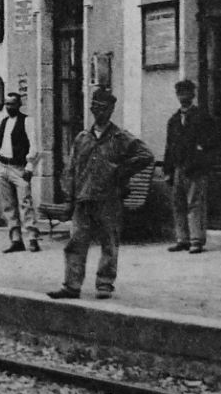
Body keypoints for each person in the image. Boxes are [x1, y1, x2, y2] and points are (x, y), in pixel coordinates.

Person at [47, 88, 154, 300]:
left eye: (104, 108)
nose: (99, 112)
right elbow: (71, 169)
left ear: (112, 110)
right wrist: (69, 196)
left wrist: (121, 171)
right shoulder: (82, 138)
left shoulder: (120, 137)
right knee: (76, 243)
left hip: (109, 198)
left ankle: (104, 284)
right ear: (91, 108)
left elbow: (146, 155)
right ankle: (71, 285)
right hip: (83, 198)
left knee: (109, 242)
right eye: (95, 107)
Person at [164, 78, 218, 254]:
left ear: (193, 95)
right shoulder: (173, 120)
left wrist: (201, 151)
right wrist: (168, 170)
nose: (183, 96)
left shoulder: (202, 116)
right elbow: (169, 146)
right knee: (178, 203)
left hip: (195, 167)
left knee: (195, 203)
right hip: (178, 167)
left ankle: (197, 239)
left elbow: (213, 140)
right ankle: (182, 239)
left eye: (186, 92)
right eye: (180, 93)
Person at [0, 89, 41, 254]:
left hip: (19, 168)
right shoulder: (4, 122)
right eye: (7, 104)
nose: (9, 107)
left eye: (12, 104)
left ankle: (32, 237)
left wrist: (29, 167)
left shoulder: (27, 121)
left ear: (19, 105)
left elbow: (34, 146)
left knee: (25, 203)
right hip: (4, 167)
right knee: (8, 206)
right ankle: (16, 239)